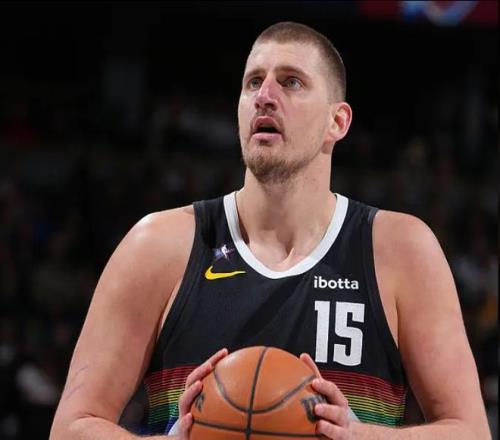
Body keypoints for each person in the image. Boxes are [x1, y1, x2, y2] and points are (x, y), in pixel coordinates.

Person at [49, 21, 491, 440]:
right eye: (253, 82)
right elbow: (70, 428)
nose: (264, 96)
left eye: (291, 82)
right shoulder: (159, 245)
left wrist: (363, 435)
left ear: (337, 122)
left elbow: (470, 431)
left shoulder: (400, 250)